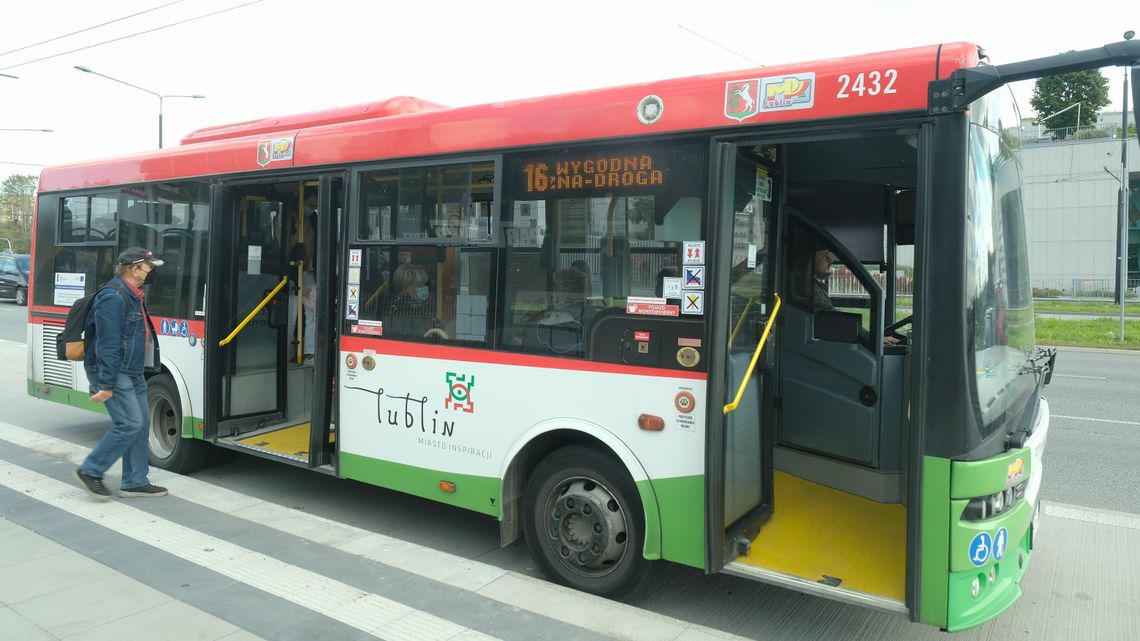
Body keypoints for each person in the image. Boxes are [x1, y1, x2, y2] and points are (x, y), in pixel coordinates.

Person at [73, 247, 168, 500]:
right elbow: (108, 343)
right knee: (129, 423)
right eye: (149, 267)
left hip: (132, 370)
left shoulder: (133, 294)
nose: (152, 272)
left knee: (142, 423)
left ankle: (135, 482)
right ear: (134, 269)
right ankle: (91, 471)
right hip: (113, 371)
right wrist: (106, 384)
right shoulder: (113, 297)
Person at [288, 190, 318, 360]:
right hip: (292, 272)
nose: (312, 209)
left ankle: (309, 351)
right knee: (292, 315)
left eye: (315, 206)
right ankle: (288, 351)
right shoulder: (285, 217)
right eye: (310, 205)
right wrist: (297, 232)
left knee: (312, 312)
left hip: (308, 271)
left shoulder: (313, 219)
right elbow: (283, 246)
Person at [385, 263, 442, 338]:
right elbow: (419, 335)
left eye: (424, 284)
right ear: (405, 287)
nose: (424, 288)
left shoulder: (415, 305)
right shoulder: (404, 308)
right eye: (419, 285)